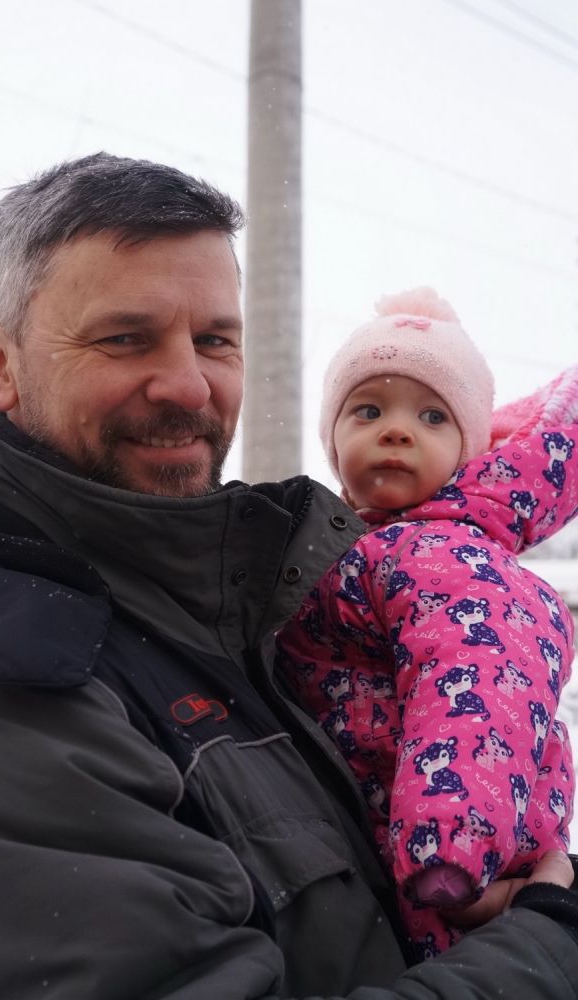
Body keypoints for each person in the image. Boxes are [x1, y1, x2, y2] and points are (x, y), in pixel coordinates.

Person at [0, 155, 576, 1000]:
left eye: (215, 340)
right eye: (125, 337)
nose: (189, 385)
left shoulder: (242, 613)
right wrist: (549, 946)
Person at [276, 287, 577, 958]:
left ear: (468, 452)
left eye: (432, 416)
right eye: (368, 409)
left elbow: (480, 685)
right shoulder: (357, 548)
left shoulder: (448, 554)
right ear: (333, 440)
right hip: (385, 844)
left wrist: (451, 847)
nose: (396, 429)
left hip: (458, 870)